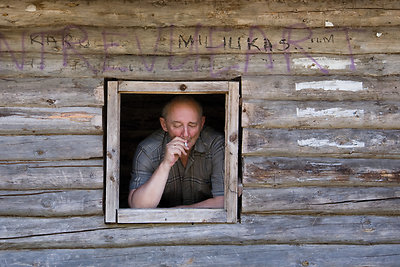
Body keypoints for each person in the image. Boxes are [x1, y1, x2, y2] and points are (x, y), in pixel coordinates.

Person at [128, 95, 224, 208]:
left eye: (192, 125)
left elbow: (225, 200)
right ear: (164, 124)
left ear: (202, 123)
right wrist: (165, 165)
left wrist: (180, 212)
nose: (186, 134)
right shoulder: (148, 150)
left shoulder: (215, 145)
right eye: (177, 125)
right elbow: (138, 206)